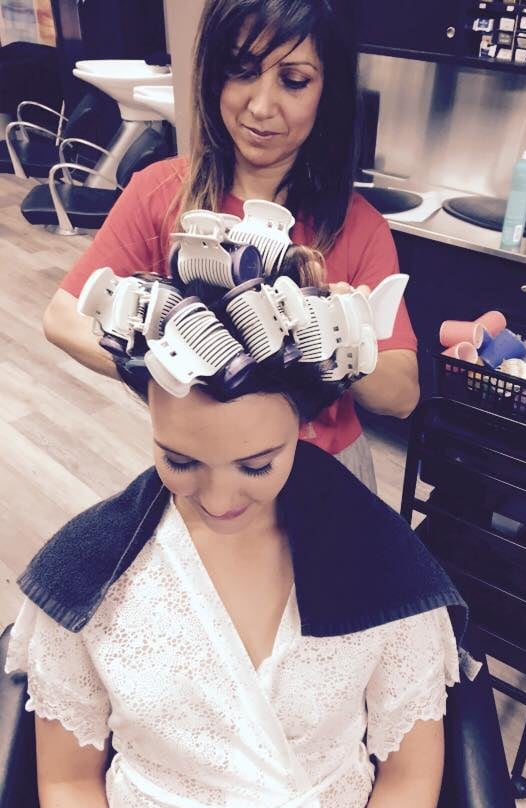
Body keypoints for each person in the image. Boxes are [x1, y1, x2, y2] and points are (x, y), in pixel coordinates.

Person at [6, 265, 466, 808]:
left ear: (302, 425)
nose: (219, 500)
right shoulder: (86, 576)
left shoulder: (383, 563)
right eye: (180, 461)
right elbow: (69, 780)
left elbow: (410, 774)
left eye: (257, 465)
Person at [41, 0, 420, 488]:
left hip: (326, 473)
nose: (261, 107)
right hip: (206, 469)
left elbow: (402, 394)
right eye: (242, 71)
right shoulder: (161, 192)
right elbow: (63, 316)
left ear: (328, 92)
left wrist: (337, 336)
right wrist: (169, 369)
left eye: (294, 80)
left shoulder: (360, 226)